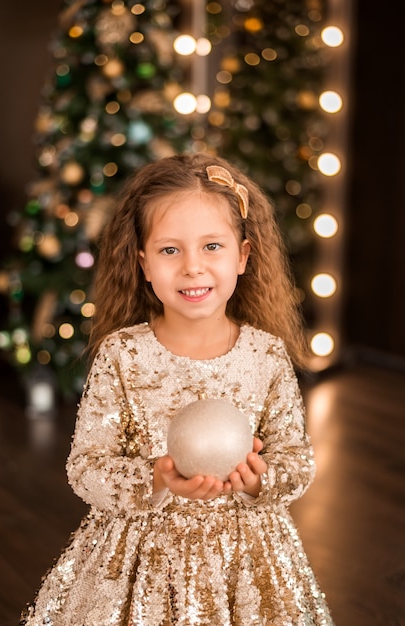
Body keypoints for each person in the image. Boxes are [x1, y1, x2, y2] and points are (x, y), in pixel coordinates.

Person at [21, 152, 334, 625]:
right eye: (170, 250)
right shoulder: (122, 355)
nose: (192, 267)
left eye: (212, 246)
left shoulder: (266, 355)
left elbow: (296, 457)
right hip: (140, 562)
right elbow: (86, 466)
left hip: (246, 561)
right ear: (144, 263)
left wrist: (259, 479)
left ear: (243, 256)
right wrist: (157, 480)